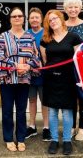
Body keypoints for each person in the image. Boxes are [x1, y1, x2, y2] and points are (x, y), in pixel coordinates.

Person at [0, 7, 40, 152]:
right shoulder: (3, 36)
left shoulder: (30, 37)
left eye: (20, 16)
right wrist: (16, 66)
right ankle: (8, 139)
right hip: (6, 80)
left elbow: (36, 58)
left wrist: (27, 66)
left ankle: (20, 138)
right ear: (10, 19)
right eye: (14, 16)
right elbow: (0, 57)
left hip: (24, 80)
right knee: (7, 110)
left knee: (21, 110)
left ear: (23, 19)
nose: (17, 18)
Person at [40, 10, 82, 155]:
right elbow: (46, 61)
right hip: (51, 80)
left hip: (69, 80)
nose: (53, 21)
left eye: (55, 18)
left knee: (66, 112)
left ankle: (66, 141)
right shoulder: (45, 40)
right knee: (52, 112)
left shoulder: (74, 37)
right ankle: (53, 140)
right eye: (49, 20)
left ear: (61, 18)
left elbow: (79, 60)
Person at [63, 0, 83, 141]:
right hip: (66, 67)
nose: (73, 9)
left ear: (80, 8)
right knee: (70, 98)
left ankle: (82, 128)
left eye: (75, 7)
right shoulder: (62, 25)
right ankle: (72, 126)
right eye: (70, 7)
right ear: (65, 9)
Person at [26, 7, 51, 141]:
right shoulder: (26, 34)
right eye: (32, 17)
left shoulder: (47, 33)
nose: (34, 20)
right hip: (30, 73)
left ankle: (46, 127)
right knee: (32, 100)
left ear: (41, 19)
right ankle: (32, 126)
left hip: (44, 73)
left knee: (44, 100)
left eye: (37, 17)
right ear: (29, 20)